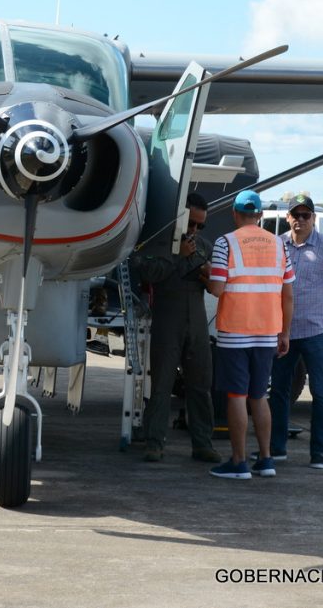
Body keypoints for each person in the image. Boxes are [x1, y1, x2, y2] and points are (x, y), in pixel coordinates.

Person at [267, 194, 323, 470]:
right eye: (296, 215)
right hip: (283, 332)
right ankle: (277, 448)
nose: (300, 220)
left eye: (306, 215)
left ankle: (319, 453)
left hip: (316, 332)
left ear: (313, 219)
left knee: (320, 391)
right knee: (279, 392)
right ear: (288, 218)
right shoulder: (277, 245)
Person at [207, 189, 294, 479]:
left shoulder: (226, 243)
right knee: (259, 396)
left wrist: (204, 275)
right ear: (259, 215)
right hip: (268, 331)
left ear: (234, 213)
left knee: (236, 396)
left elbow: (217, 288)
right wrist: (285, 332)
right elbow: (288, 293)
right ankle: (266, 459)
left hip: (235, 331)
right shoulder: (279, 245)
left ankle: (238, 461)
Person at [132, 192, 220, 463]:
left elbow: (214, 281)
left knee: (201, 384)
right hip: (167, 321)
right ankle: (154, 442)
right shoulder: (159, 242)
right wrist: (177, 257)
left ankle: (202, 443)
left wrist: (206, 272)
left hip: (196, 321)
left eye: (200, 226)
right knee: (161, 384)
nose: (194, 230)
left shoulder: (204, 246)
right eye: (191, 224)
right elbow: (145, 271)